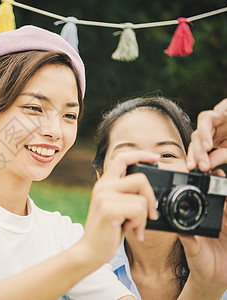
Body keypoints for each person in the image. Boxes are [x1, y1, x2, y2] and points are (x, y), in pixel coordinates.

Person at [0, 25, 221, 300]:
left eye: (69, 115)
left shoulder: (62, 235)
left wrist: (206, 286)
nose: (54, 131)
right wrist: (84, 256)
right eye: (34, 108)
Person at [92, 96, 227, 300]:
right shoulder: (79, 267)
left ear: (193, 171)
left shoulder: (222, 256)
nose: (150, 169)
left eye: (167, 155)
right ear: (101, 176)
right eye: (129, 156)